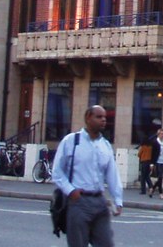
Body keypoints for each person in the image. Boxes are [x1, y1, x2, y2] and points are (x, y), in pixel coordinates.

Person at [52, 105, 123, 247]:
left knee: (106, 243)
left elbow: (112, 174)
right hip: (79, 202)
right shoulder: (71, 141)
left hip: (100, 202)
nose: (103, 120)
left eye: (105, 117)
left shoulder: (105, 145)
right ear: (88, 118)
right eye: (99, 117)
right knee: (78, 243)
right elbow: (57, 171)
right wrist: (71, 191)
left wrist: (118, 200)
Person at [148, 128, 163, 199]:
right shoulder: (155, 142)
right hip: (157, 161)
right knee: (160, 177)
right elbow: (152, 153)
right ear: (158, 134)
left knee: (160, 177)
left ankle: (152, 189)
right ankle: (160, 194)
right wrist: (151, 163)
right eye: (162, 134)